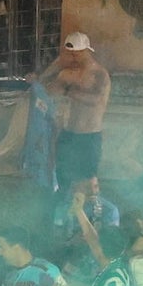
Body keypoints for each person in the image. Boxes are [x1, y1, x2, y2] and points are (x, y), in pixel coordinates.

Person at [39, 32, 112, 193]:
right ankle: (62, 207)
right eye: (70, 53)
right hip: (68, 134)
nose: (72, 57)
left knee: (87, 182)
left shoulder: (99, 74)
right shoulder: (67, 73)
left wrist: (67, 91)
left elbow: (95, 100)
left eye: (76, 53)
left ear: (86, 51)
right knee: (62, 177)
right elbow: (48, 90)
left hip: (89, 137)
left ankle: (87, 208)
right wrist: (40, 78)